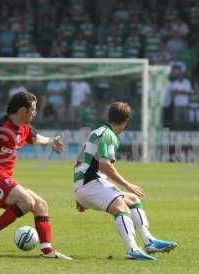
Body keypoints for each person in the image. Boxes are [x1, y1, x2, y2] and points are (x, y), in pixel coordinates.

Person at [0, 91, 71, 260]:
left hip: (5, 177)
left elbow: (35, 137)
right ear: (22, 110)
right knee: (27, 201)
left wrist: (51, 141)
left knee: (41, 205)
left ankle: (47, 251)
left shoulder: (24, 128)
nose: (35, 113)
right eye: (32, 109)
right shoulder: (0, 125)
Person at [73, 100, 177, 261]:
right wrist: (127, 184)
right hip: (90, 184)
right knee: (120, 206)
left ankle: (149, 241)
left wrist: (80, 194)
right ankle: (133, 249)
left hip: (86, 185)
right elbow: (105, 165)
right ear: (126, 121)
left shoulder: (98, 131)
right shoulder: (109, 136)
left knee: (132, 199)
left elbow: (80, 161)